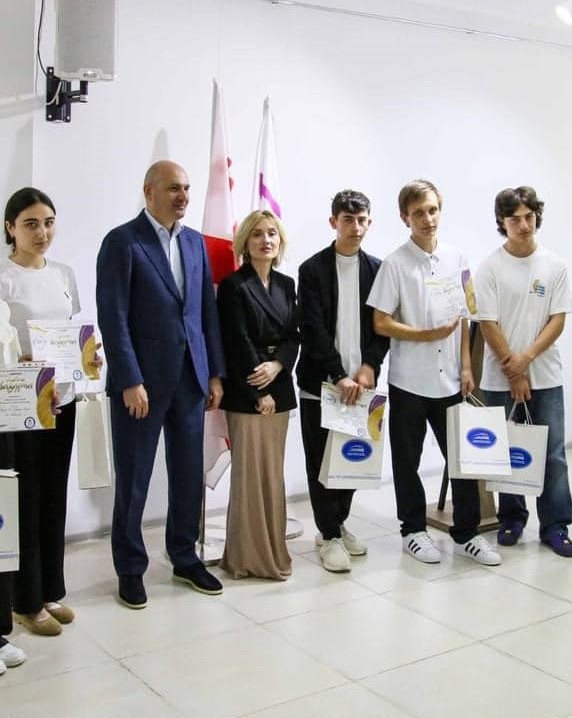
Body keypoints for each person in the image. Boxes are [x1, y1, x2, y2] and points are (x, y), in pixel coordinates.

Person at [96, 160, 225, 609]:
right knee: (134, 479)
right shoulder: (122, 241)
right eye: (173, 188)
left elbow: (205, 312)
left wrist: (213, 372)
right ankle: (130, 569)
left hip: (190, 379)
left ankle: (185, 556)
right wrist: (129, 378)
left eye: (186, 188)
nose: (183, 196)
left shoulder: (194, 242)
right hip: (141, 387)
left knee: (188, 474)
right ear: (149, 191)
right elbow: (113, 317)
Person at [367, 179, 501, 566]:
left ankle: (467, 534)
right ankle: (413, 530)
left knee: (461, 459)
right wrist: (425, 335)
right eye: (418, 213)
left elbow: (465, 315)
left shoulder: (458, 258)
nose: (427, 219)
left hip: (451, 380)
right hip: (409, 379)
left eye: (432, 210)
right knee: (406, 462)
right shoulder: (395, 264)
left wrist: (466, 365)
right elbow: (380, 322)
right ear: (404, 218)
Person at [1, 187, 87, 635]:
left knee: (54, 496)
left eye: (49, 222)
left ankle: (51, 590)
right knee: (27, 500)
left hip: (62, 400)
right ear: (10, 228)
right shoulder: (4, 278)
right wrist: (25, 365)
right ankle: (26, 600)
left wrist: (87, 357)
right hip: (23, 406)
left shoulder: (63, 273)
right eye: (31, 224)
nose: (42, 232)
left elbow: (72, 331)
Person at [475, 186, 572, 557]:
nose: (523, 224)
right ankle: (512, 519)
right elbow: (487, 323)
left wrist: (525, 361)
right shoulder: (490, 267)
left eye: (529, 216)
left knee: (553, 455)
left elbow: (557, 320)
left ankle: (555, 526)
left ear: (536, 217)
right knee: (506, 451)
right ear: (502, 222)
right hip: (499, 376)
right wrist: (514, 372)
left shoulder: (555, 265)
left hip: (545, 375)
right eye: (514, 219)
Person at [297, 189, 389, 573]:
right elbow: (312, 329)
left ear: (370, 222)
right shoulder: (312, 269)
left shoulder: (379, 270)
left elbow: (383, 326)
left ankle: (337, 524)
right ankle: (329, 535)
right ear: (334, 222)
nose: (356, 227)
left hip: (362, 386)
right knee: (321, 462)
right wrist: (339, 374)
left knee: (353, 460)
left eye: (362, 219)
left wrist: (369, 366)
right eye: (348, 219)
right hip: (322, 384)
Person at [217, 210, 299, 580]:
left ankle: (273, 551)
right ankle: (248, 557)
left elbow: (293, 335)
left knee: (272, 475)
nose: (266, 240)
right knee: (250, 476)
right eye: (257, 234)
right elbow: (236, 341)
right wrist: (258, 391)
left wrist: (279, 365)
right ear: (245, 242)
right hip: (246, 391)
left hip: (279, 386)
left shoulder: (286, 284)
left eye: (271, 234)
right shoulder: (233, 286)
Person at [0, 301, 26, 673]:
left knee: (2, 531)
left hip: (4, 426)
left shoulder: (2, 310)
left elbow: (15, 367)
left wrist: (38, 394)